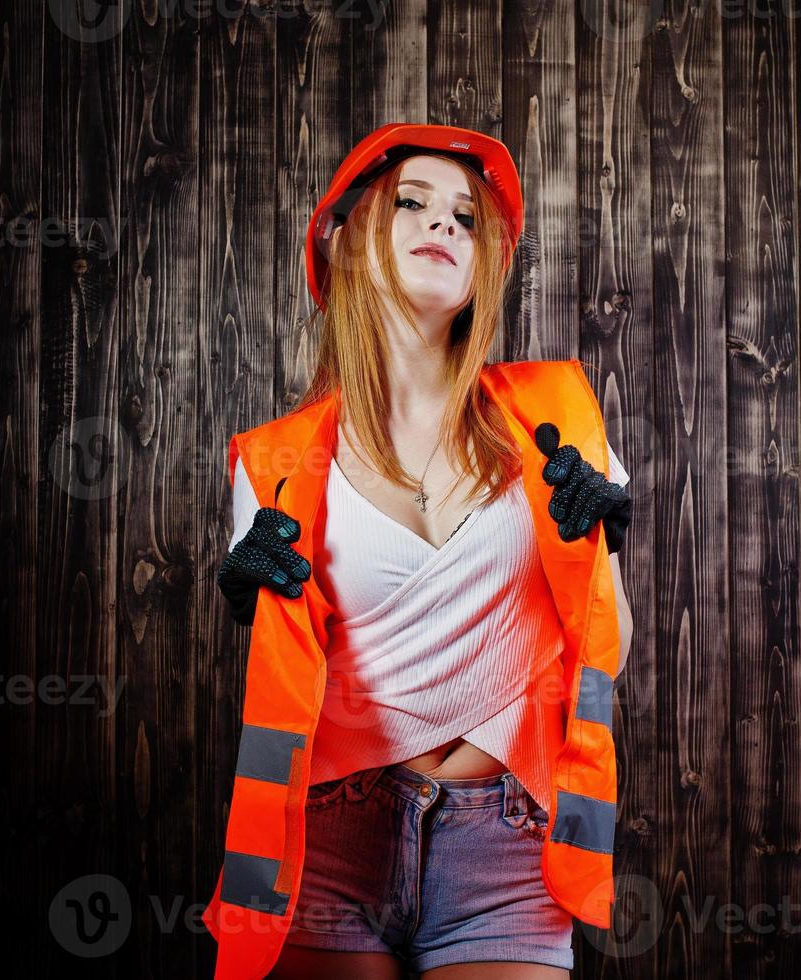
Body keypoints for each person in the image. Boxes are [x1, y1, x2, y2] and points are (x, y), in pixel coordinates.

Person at [211, 124, 633, 980]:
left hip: (505, 844)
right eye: (413, 203)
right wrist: (246, 614)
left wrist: (597, 545)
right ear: (350, 236)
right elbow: (285, 686)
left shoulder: (557, 425)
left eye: (466, 218)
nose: (444, 225)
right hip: (333, 837)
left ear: (483, 267)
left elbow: (608, 651)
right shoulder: (275, 466)